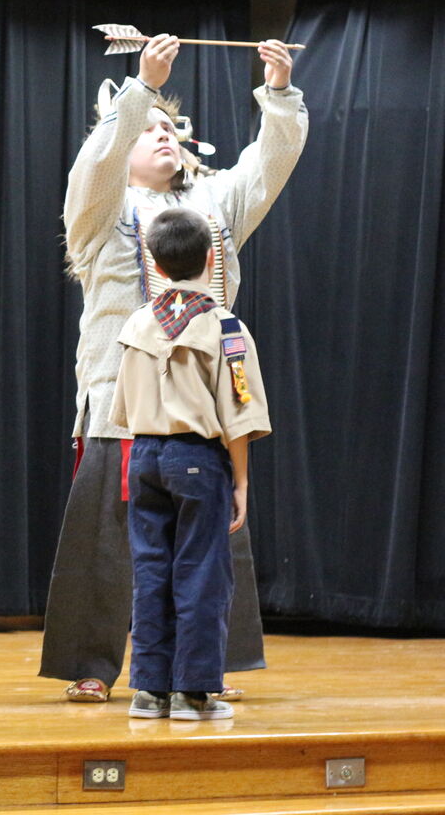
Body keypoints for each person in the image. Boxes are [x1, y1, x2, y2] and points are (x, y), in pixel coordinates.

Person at [40, 34, 307, 703]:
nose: (163, 136)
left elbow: (268, 168)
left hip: (198, 408)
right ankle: (93, 664)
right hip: (119, 402)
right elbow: (93, 167)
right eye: (147, 130)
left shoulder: (211, 210)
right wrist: (141, 89)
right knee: (107, 540)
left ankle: (212, 661)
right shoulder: (100, 214)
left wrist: (277, 95)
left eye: (170, 128)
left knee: (210, 539)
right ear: (122, 138)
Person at [110, 208, 271, 721]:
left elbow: (123, 411)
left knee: (151, 570)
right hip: (198, 459)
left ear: (154, 264)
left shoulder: (137, 322)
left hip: (145, 458)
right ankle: (193, 692)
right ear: (210, 258)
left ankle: (149, 690)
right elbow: (239, 415)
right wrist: (240, 482)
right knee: (202, 572)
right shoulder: (225, 327)